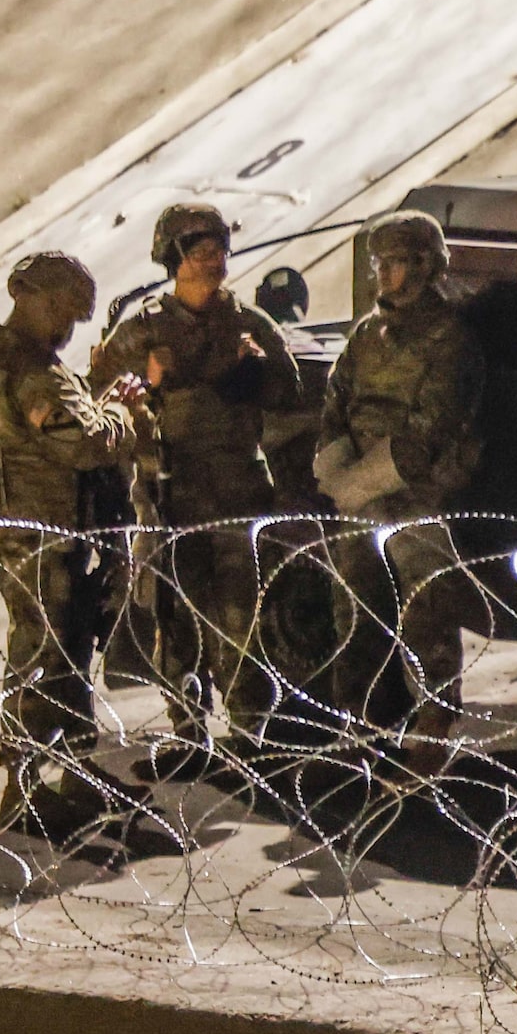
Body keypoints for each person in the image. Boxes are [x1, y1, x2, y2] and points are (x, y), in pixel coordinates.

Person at [89, 205, 300, 774]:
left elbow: (290, 395)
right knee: (175, 617)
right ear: (173, 258)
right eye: (200, 252)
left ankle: (250, 731)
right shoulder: (143, 329)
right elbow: (98, 406)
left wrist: (255, 375)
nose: (213, 262)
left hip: (235, 490)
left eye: (219, 251)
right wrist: (148, 389)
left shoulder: (249, 325)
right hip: (168, 493)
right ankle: (187, 730)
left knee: (240, 614)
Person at [0, 252, 153, 845]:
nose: (68, 328)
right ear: (31, 296)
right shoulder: (28, 369)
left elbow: (50, 422)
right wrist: (124, 412)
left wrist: (94, 395)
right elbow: (82, 442)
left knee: (66, 649)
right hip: (40, 532)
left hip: (36, 527)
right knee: (44, 653)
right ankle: (26, 788)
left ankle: (68, 771)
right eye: (63, 311)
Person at [315, 209, 484, 776]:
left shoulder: (450, 340)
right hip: (362, 497)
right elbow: (336, 403)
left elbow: (429, 432)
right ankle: (361, 725)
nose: (386, 274)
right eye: (381, 263)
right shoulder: (368, 334)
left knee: (425, 609)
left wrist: (356, 484)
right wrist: (338, 471)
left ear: (427, 266)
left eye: (398, 262)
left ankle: (433, 723)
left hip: (417, 497)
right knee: (353, 611)